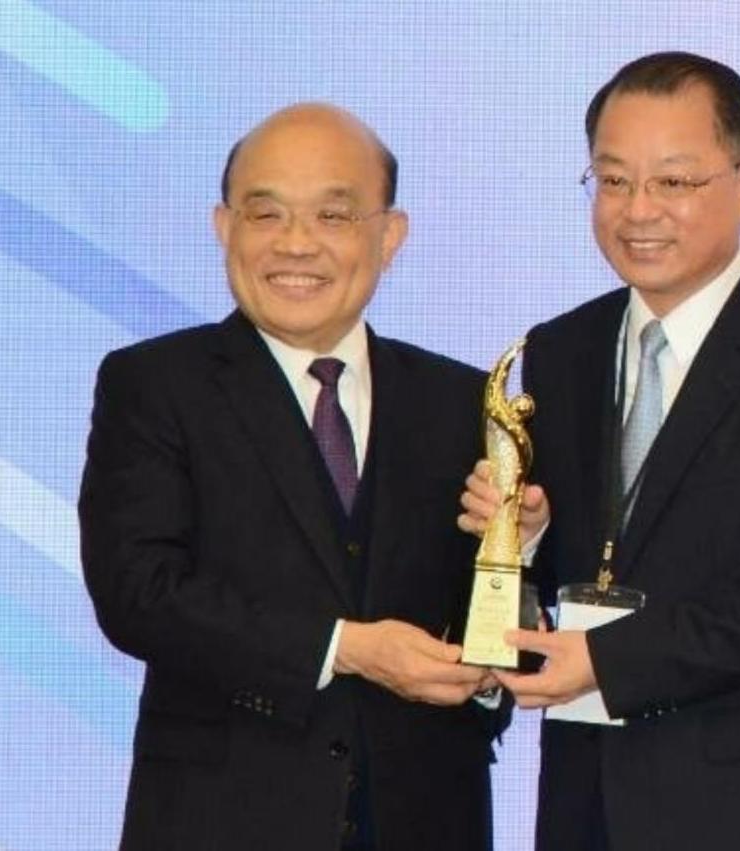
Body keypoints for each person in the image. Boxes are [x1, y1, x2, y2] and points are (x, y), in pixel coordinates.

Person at [460, 52, 740, 850]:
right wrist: (529, 538)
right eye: (612, 180)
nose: (637, 210)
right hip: (587, 803)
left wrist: (612, 660)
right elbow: (572, 578)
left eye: (673, 181)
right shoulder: (560, 350)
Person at [80, 103, 504, 851]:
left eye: (332, 215)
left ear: (390, 235)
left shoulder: (463, 401)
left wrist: (499, 644)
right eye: (265, 213)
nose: (296, 243)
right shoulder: (155, 384)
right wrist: (346, 647)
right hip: (222, 822)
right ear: (224, 227)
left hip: (425, 817)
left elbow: (499, 617)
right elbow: (138, 592)